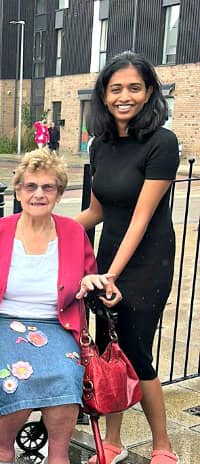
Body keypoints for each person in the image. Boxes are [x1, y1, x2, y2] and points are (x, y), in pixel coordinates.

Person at [0, 148, 121, 464]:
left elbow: (89, 276)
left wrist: (92, 283)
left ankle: (58, 457)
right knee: (16, 376)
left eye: (48, 187)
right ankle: (4, 447)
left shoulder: (72, 233)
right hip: (0, 324)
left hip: (56, 325)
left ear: (58, 193)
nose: (39, 194)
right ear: (18, 191)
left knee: (67, 373)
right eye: (31, 186)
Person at [75, 51, 180, 464]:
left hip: (146, 263)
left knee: (136, 349)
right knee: (107, 349)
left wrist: (112, 276)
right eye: (115, 88)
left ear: (150, 91)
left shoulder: (163, 143)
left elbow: (141, 219)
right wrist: (43, 227)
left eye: (134, 87)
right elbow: (97, 212)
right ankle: (113, 439)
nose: (124, 96)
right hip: (109, 262)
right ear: (103, 95)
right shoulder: (100, 145)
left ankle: (163, 445)